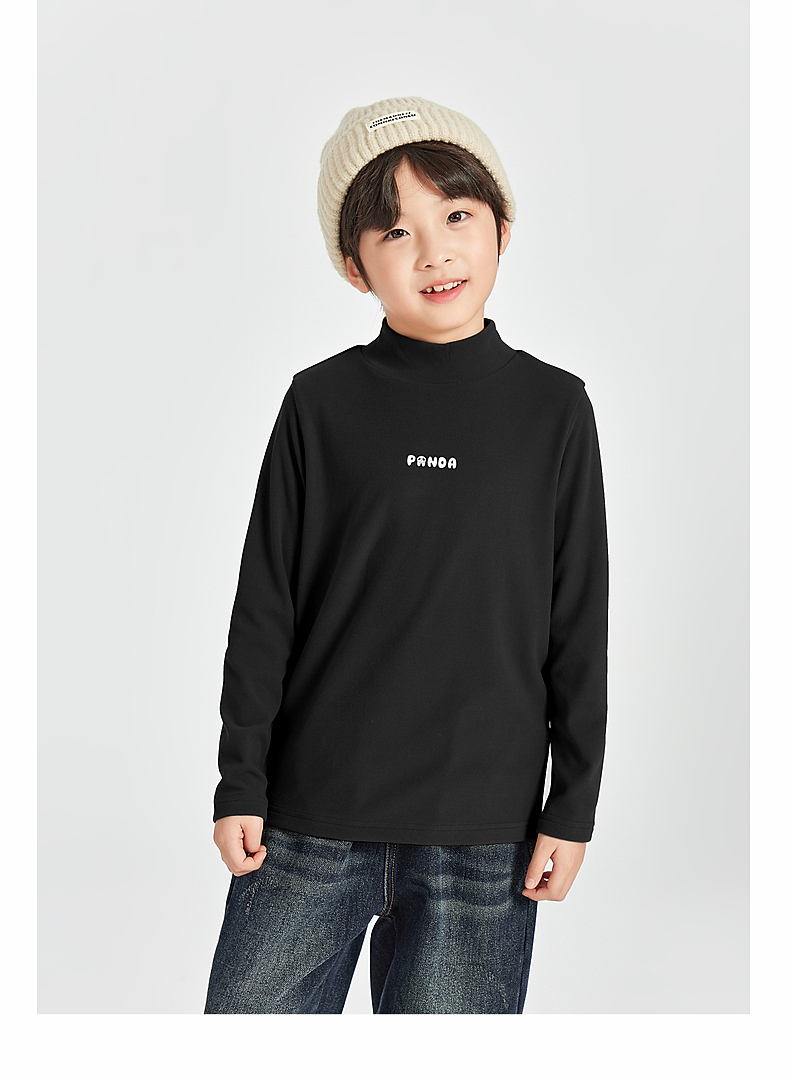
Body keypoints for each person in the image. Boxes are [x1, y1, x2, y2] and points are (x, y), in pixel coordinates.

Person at [203, 96, 609, 1015]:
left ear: (502, 228)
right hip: (308, 818)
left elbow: (579, 620)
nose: (434, 251)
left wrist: (572, 803)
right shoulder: (319, 404)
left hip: (485, 831)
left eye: (456, 215)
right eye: (396, 231)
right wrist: (240, 779)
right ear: (355, 267)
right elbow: (265, 605)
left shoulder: (555, 410)